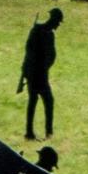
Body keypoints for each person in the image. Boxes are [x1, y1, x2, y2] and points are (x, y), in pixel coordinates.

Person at [20, 9, 61, 137]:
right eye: (57, 22)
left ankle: (36, 131)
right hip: (36, 73)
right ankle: (38, 131)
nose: (58, 25)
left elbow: (50, 55)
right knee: (43, 100)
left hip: (40, 72)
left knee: (38, 100)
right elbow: (30, 52)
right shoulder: (40, 32)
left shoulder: (46, 33)